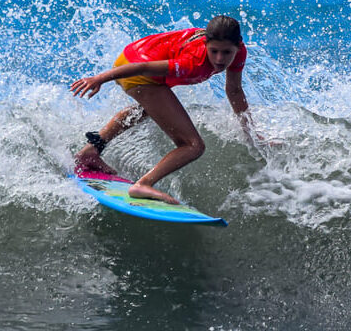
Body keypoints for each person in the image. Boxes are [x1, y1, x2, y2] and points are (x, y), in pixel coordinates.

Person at [70, 15, 257, 204]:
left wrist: (250, 132)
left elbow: (234, 90)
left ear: (238, 46)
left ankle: (90, 151)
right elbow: (143, 67)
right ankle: (143, 185)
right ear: (206, 43)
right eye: (214, 51)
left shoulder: (239, 53)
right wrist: (100, 78)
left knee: (148, 109)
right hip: (135, 67)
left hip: (135, 55)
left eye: (226, 52)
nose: (219, 59)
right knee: (193, 146)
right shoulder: (193, 63)